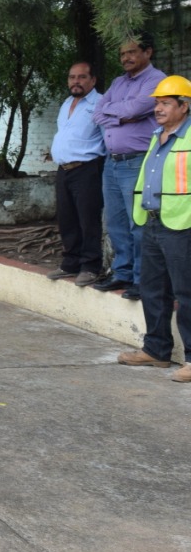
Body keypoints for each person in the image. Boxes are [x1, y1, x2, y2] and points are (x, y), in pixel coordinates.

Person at [118, 75, 191, 382]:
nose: (158, 109)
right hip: (151, 222)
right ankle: (157, 351)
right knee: (152, 290)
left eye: (165, 103)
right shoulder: (156, 136)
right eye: (156, 104)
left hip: (181, 224)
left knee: (186, 293)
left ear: (184, 107)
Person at [92, 33, 167, 300]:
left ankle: (141, 279)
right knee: (116, 222)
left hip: (137, 161)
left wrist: (120, 112)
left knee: (139, 223)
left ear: (148, 52)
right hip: (111, 164)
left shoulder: (157, 80)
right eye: (123, 53)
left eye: (132, 52)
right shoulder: (117, 82)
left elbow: (134, 110)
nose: (126, 58)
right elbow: (98, 113)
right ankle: (121, 273)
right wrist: (119, 115)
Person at [47, 63, 106, 286]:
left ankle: (91, 266)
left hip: (87, 169)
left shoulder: (100, 103)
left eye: (82, 77)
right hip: (63, 170)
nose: (76, 81)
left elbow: (107, 137)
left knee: (87, 218)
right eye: (72, 77)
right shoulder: (66, 103)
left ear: (93, 80)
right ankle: (70, 262)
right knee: (67, 218)